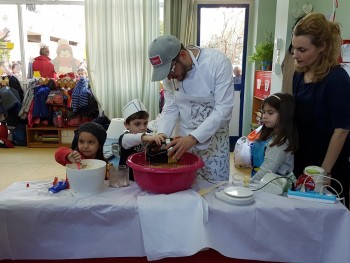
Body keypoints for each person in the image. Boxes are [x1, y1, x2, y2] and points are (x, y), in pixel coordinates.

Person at [148, 34, 234, 181]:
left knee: (213, 192)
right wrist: (161, 135)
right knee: (185, 189)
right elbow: (170, 108)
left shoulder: (217, 62)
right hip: (181, 143)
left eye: (170, 72)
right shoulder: (171, 76)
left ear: (182, 54)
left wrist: (193, 138)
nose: (169, 78)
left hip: (214, 145)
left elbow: (223, 109)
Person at [291, 12, 350, 208]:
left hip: (327, 162)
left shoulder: (337, 79)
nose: (295, 54)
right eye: (294, 48)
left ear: (322, 47)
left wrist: (323, 172)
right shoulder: (299, 75)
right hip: (302, 158)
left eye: (302, 49)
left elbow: (341, 130)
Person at [250, 93, 298, 182]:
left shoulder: (281, 143)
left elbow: (267, 171)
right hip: (261, 183)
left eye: (270, 113)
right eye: (263, 112)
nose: (264, 116)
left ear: (285, 114)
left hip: (274, 186)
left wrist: (249, 184)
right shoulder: (269, 134)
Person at [118, 99, 165, 180]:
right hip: (128, 178)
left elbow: (162, 142)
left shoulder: (148, 136)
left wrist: (171, 140)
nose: (142, 128)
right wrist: (147, 137)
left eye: (145, 123)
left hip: (144, 175)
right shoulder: (124, 138)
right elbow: (133, 138)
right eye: (137, 124)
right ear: (126, 125)